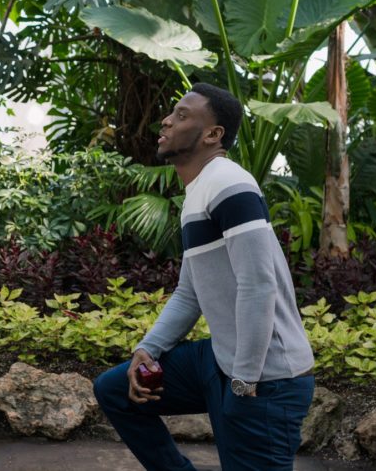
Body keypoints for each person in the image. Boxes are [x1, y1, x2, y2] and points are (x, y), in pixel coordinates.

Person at [93, 83, 315, 471]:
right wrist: (149, 348)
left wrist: (244, 383)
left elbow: (258, 284)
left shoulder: (230, 183)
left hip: (266, 380)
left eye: (182, 115)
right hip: (219, 361)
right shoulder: (198, 192)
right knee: (116, 390)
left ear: (214, 135)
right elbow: (189, 292)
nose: (166, 120)